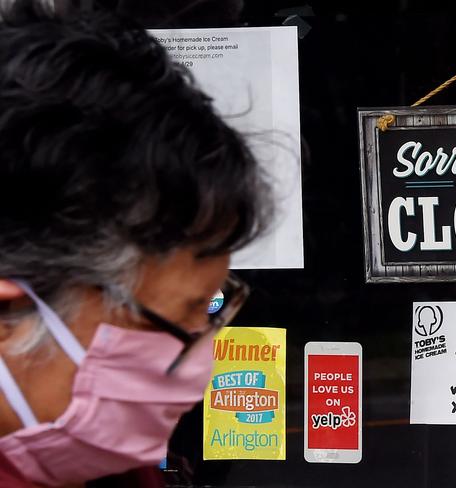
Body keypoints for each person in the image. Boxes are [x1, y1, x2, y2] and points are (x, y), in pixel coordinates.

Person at [0, 0, 269, 486]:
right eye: (177, 319)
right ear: (10, 315)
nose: (202, 372)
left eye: (211, 311)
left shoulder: (110, 468)